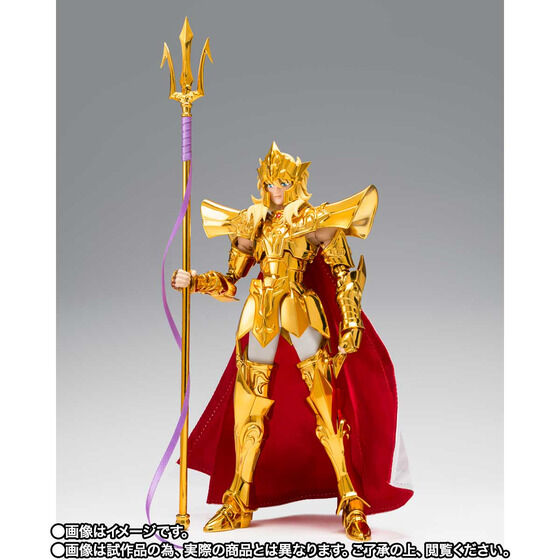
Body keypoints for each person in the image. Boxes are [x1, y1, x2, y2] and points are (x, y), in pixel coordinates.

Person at [171, 142, 412, 540]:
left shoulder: (313, 219)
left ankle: (350, 496)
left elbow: (343, 275)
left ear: (297, 181)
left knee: (325, 403)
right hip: (259, 313)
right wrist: (195, 281)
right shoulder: (253, 223)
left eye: (283, 181)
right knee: (248, 407)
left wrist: (351, 321)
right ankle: (238, 499)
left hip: (300, 311)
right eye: (270, 181)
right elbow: (231, 281)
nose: (276, 188)